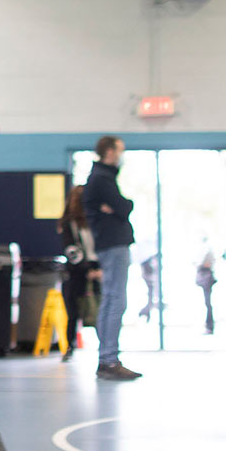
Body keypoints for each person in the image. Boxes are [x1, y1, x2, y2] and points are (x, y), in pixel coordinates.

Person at [83, 136, 140, 380]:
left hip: (110, 244)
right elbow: (126, 207)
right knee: (116, 300)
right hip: (114, 245)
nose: (122, 155)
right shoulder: (102, 180)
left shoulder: (101, 179)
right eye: (120, 150)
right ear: (110, 152)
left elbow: (119, 207)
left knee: (110, 300)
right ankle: (108, 359)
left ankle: (107, 358)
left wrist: (116, 208)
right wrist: (121, 206)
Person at [58, 186, 99, 362]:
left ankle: (106, 347)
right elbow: (72, 250)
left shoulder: (94, 220)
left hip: (96, 268)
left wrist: (98, 270)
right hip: (77, 271)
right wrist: (86, 269)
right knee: (73, 310)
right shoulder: (69, 223)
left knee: (97, 308)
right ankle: (69, 345)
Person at [195, 242, 217, 336]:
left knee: (208, 304)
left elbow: (207, 263)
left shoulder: (208, 252)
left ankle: (209, 326)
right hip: (207, 280)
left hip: (207, 281)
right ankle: (209, 326)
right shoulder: (205, 251)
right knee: (207, 303)